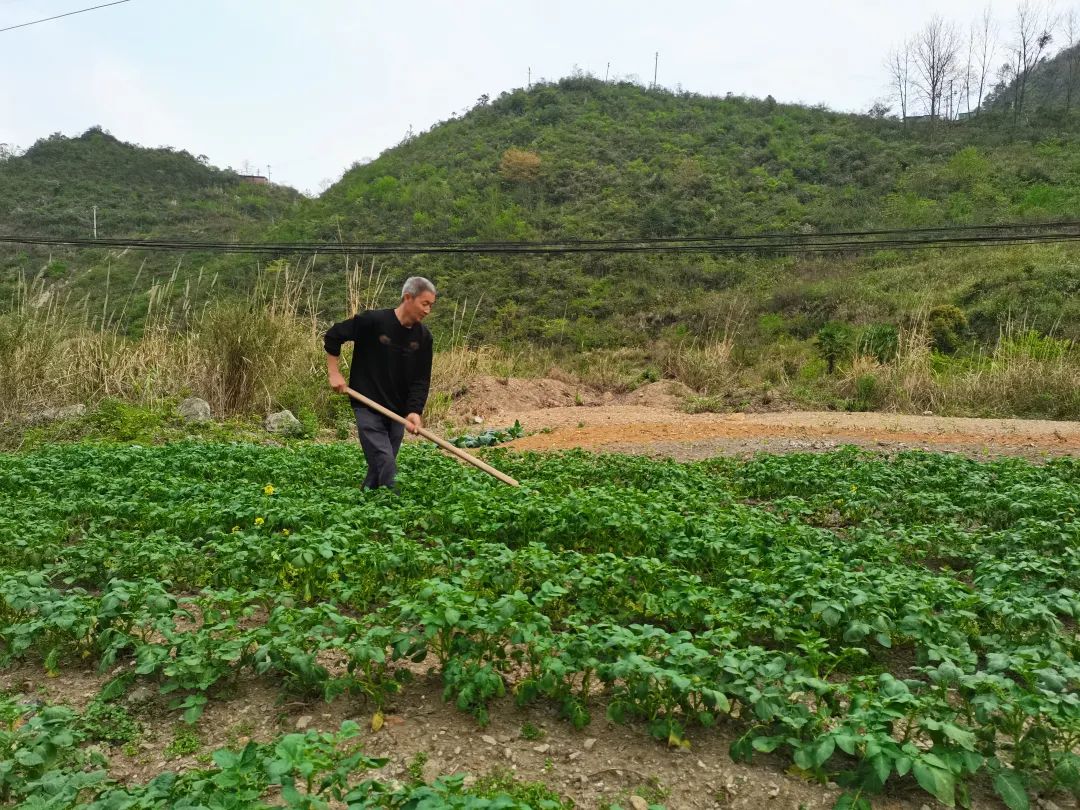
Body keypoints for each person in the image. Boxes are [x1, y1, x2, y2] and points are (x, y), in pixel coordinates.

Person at [324, 277, 436, 489]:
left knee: (381, 463)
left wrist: (414, 410)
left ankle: (367, 499)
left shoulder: (424, 337)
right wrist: (334, 373)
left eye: (431, 305)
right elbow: (334, 335)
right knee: (384, 459)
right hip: (367, 402)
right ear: (408, 297)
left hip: (397, 410)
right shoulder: (373, 321)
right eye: (425, 303)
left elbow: (421, 379)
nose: (428, 310)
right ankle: (397, 507)